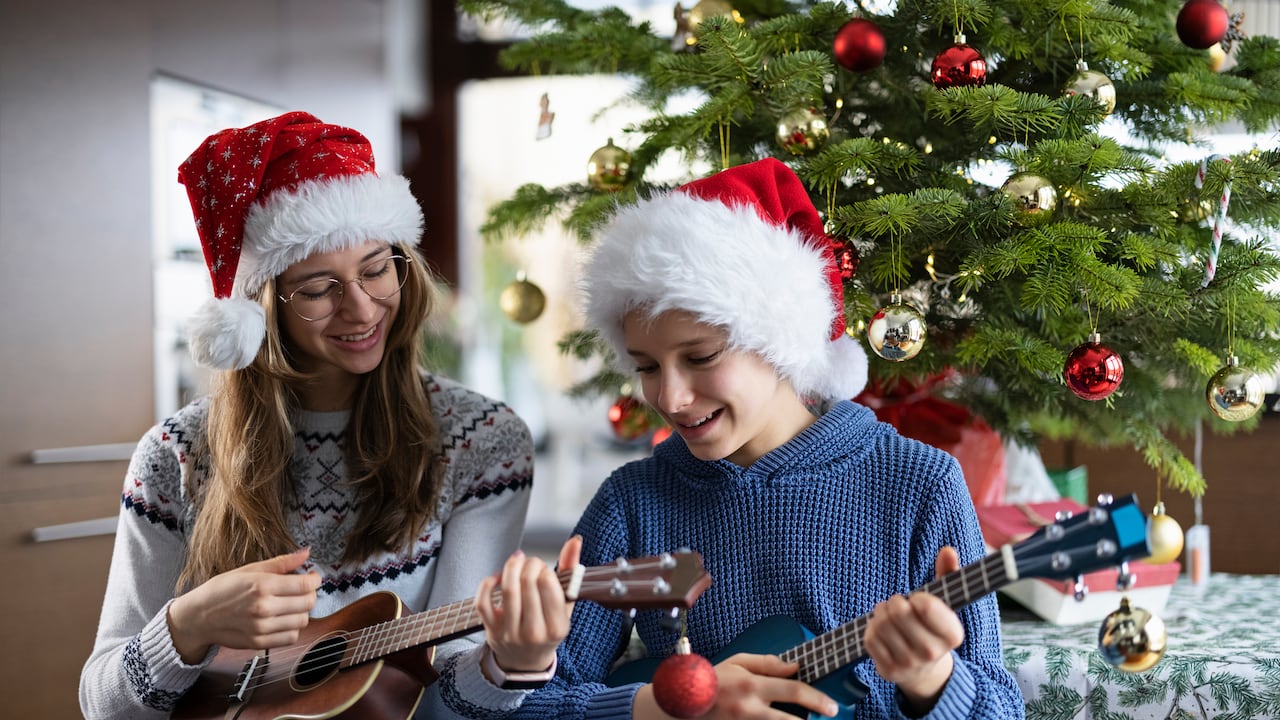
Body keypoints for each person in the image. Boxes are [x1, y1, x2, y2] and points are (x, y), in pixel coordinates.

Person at [79, 111, 577, 720]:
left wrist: (513, 666)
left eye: (377, 269)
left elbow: (447, 704)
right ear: (262, 308)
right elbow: (103, 705)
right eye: (319, 289)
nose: (363, 309)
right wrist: (190, 622)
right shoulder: (175, 455)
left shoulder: (480, 441)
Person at [506, 157, 1024, 719]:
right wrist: (667, 707)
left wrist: (932, 680)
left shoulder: (919, 484)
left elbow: (1002, 709)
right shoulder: (634, 501)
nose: (671, 398)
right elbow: (529, 704)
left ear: (781, 340)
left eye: (700, 357)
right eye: (647, 367)